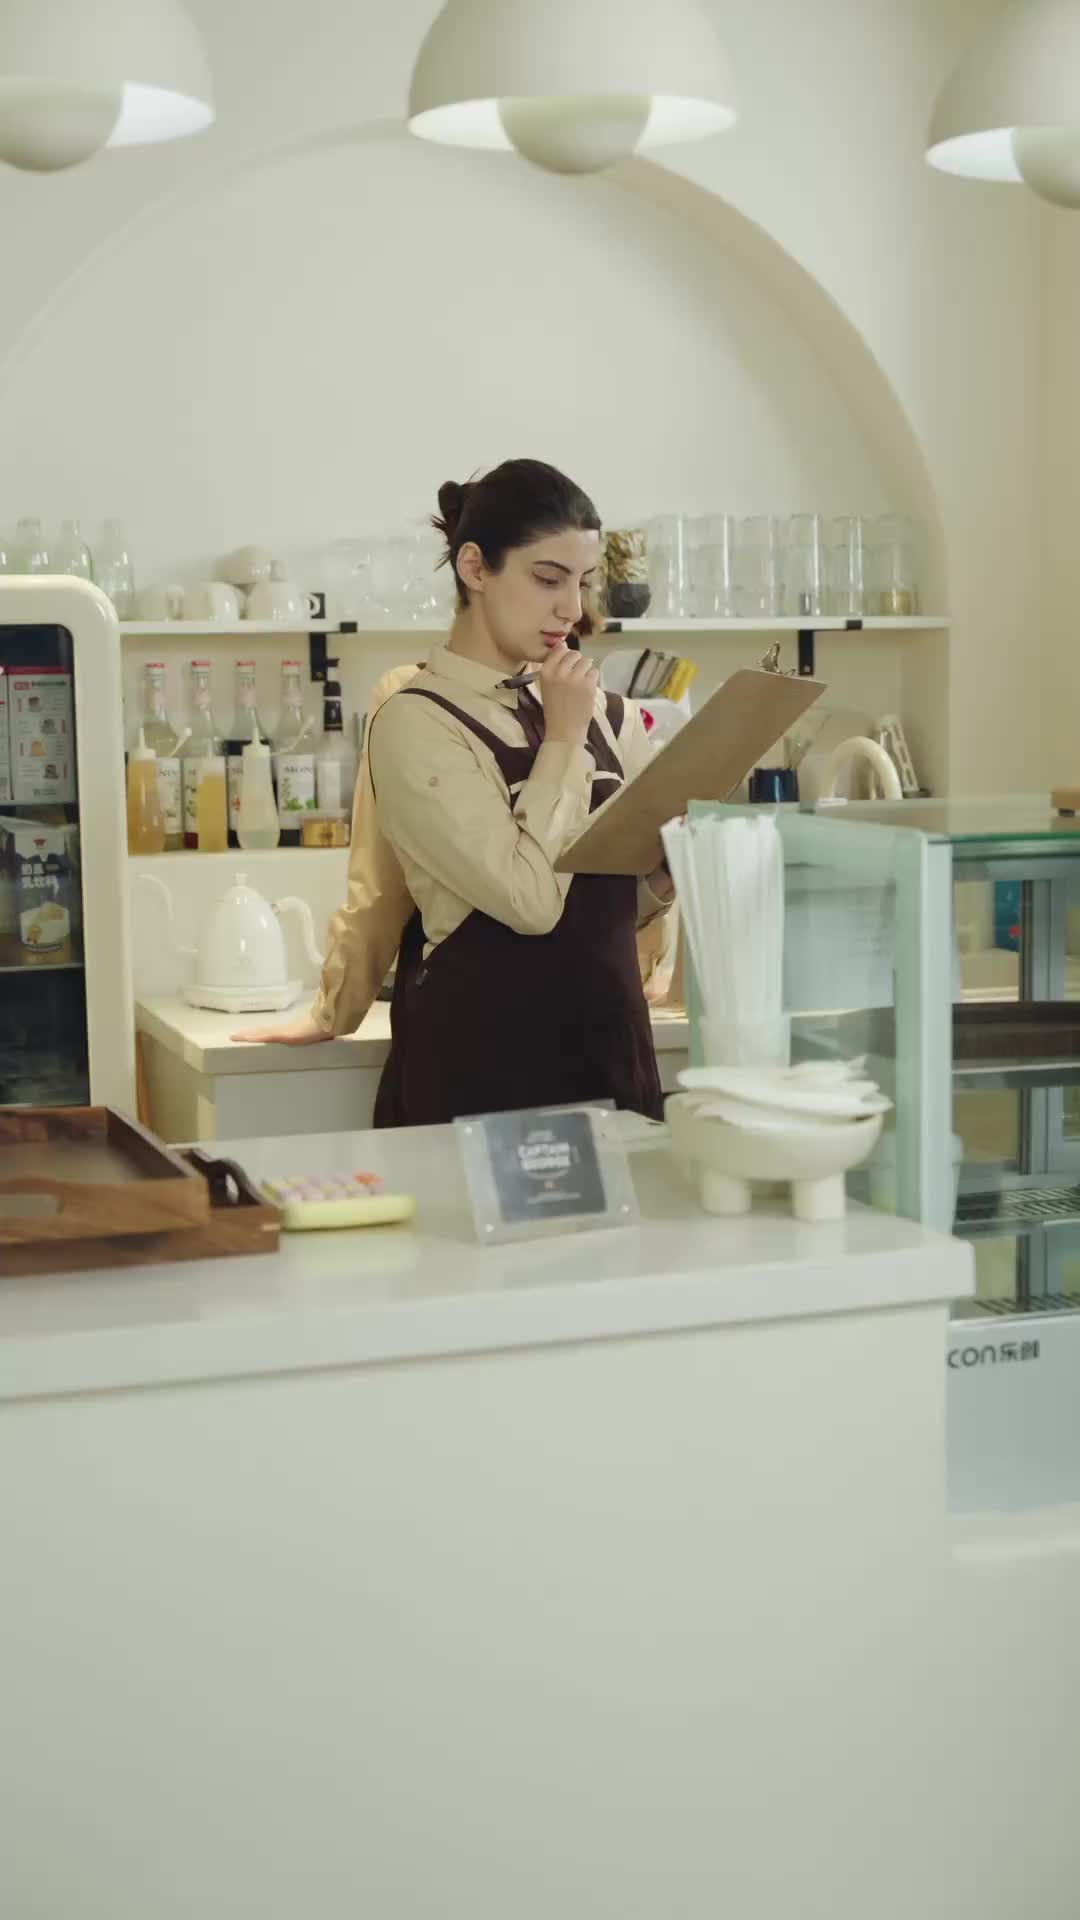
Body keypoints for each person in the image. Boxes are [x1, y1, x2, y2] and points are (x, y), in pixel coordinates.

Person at [238, 458, 673, 1124]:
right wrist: (335, 1009)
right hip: (486, 1070)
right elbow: (507, 900)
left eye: (584, 582)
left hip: (612, 1059)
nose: (572, 609)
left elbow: (611, 901)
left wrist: (670, 870)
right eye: (547, 579)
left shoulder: (606, 712)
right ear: (475, 568)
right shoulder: (415, 718)